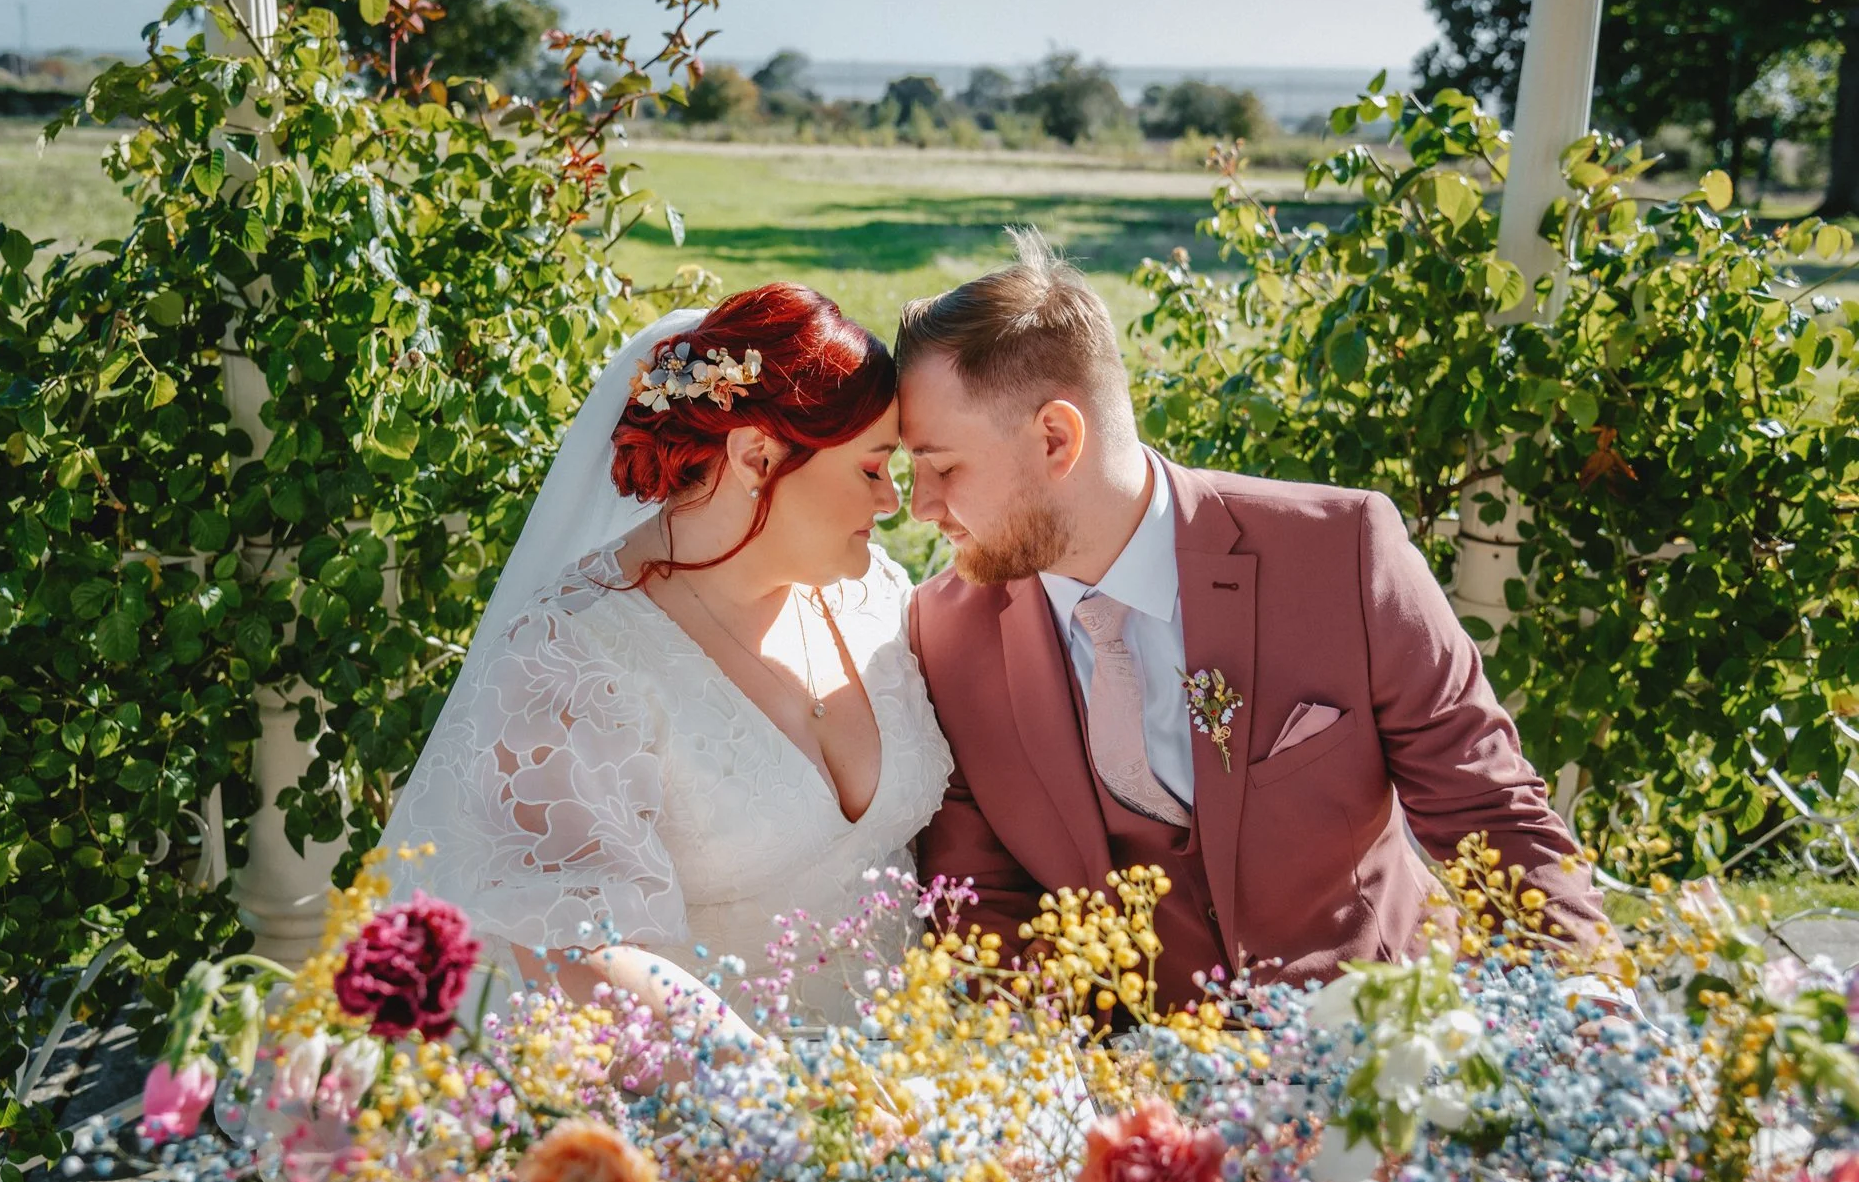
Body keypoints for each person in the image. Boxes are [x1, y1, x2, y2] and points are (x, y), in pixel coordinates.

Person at [897, 228, 1612, 1010]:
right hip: (1135, 1091)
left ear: (1057, 438)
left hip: (1384, 1055)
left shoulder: (1341, 553)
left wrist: (1593, 1012)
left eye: (942, 466)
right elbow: (982, 900)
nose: (922, 505)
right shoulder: (946, 633)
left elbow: (1488, 808)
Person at [379, 284, 952, 1048]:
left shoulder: (874, 593)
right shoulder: (573, 657)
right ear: (757, 456)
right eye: (871, 469)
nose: (891, 502)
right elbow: (579, 952)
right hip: (714, 1107)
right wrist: (783, 1106)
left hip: (932, 1081)